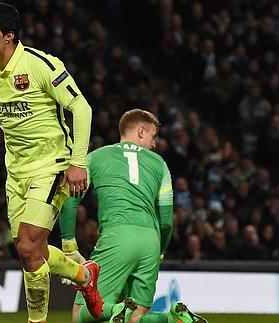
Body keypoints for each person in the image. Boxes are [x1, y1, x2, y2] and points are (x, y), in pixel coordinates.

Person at [0, 3, 100, 322]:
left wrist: (77, 162)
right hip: (16, 173)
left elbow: (82, 108)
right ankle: (85, 276)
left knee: (28, 247)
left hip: (52, 166)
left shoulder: (40, 64)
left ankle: (37, 320)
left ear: (8, 37)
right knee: (32, 250)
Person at [60, 109, 208, 323]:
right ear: (140, 131)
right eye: (153, 136)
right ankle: (169, 318)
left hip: (118, 236)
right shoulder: (161, 165)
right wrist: (160, 251)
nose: (155, 144)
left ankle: (116, 309)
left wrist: (69, 245)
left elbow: (69, 203)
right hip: (151, 241)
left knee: (80, 315)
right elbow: (166, 222)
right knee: (137, 317)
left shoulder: (96, 157)